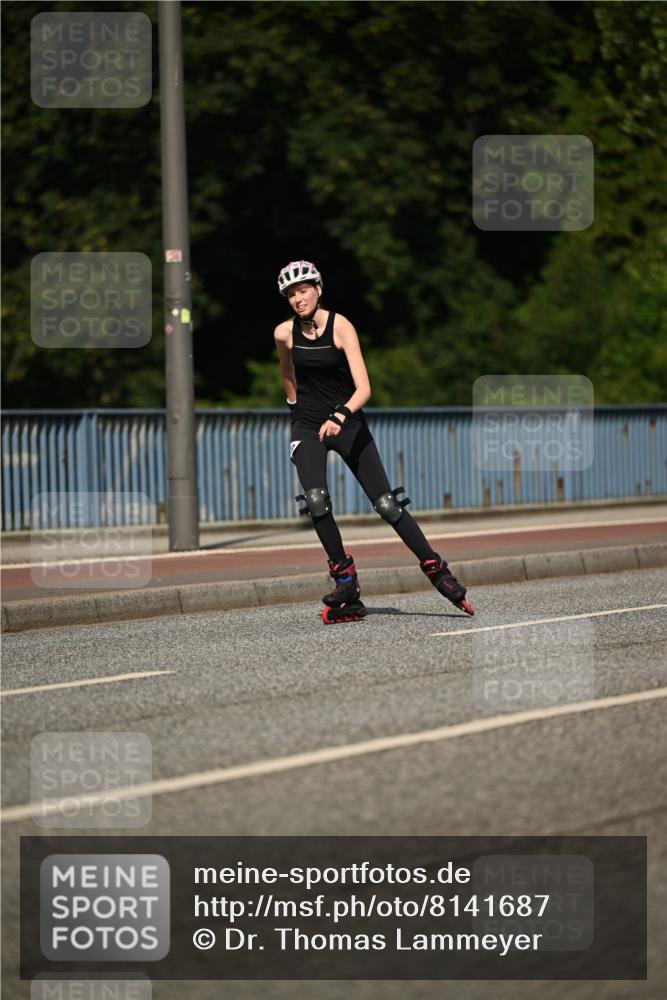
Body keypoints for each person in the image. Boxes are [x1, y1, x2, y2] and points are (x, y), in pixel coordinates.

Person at [274, 259, 474, 623]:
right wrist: (295, 409)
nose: (298, 299)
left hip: (347, 420)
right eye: (291, 294)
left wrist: (339, 415)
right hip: (307, 424)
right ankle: (345, 581)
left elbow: (365, 387)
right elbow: (287, 373)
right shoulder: (283, 334)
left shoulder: (341, 327)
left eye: (303, 290)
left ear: (318, 289)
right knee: (316, 500)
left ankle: (436, 569)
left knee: (386, 504)